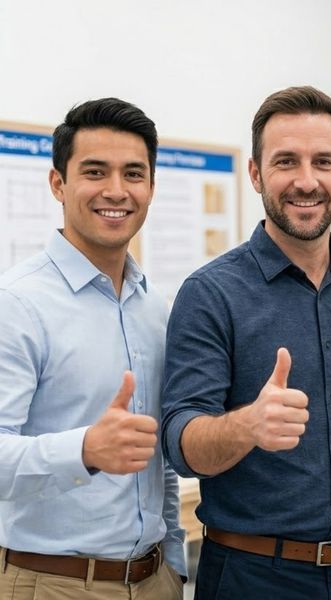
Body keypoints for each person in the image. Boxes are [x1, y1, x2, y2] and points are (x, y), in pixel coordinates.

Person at [162, 85, 331, 599]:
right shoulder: (210, 294)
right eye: (286, 161)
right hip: (253, 577)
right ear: (255, 174)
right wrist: (248, 425)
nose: (306, 180)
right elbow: (180, 445)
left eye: (324, 161)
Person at [0, 98, 186, 600]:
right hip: (54, 583)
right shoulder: (16, 304)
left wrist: (176, 565)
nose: (116, 191)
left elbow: (156, 460)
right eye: (95, 171)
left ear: (150, 186)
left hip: (155, 581)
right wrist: (83, 449)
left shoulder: (155, 308)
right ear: (58, 183)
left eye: (133, 173)